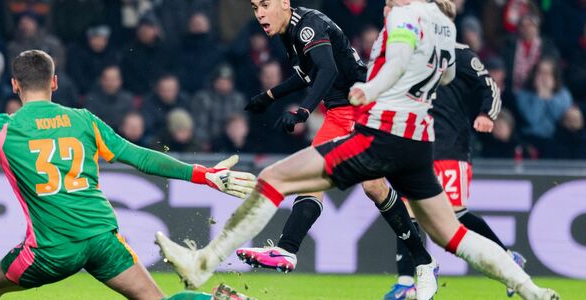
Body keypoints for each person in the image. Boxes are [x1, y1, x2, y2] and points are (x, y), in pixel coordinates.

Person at [156, 2, 560, 300]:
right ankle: (528, 289)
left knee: (275, 178)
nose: (386, 4)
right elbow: (448, 73)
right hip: (416, 141)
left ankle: (210, 262)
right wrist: (272, 94)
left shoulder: (401, 18)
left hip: (376, 130)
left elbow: (392, 57)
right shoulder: (441, 28)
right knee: (450, 231)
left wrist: (372, 88)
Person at [0, 50, 256, 300]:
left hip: (51, 250)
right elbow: (142, 157)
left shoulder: (4, 126)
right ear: (55, 82)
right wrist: (204, 175)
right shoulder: (84, 119)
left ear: (15, 84)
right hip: (101, 238)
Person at [236, 0, 434, 284]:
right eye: (255, 8)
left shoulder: (308, 26)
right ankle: (287, 250)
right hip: (340, 112)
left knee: (372, 186)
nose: (260, 14)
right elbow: (308, 74)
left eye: (265, 5)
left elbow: (327, 70)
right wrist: (268, 97)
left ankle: (423, 261)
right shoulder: (289, 32)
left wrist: (303, 110)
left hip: (362, 107)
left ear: (284, 3)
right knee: (321, 179)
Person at [383, 38, 525, 299]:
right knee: (406, 211)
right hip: (416, 145)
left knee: (454, 216)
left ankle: (507, 258)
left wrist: (486, 114)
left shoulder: (459, 53)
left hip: (450, 148)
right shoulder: (405, 52)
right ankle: (406, 281)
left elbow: (489, 87)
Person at [83, 65, 135, 130]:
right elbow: (89, 123)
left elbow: (131, 121)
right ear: (101, 80)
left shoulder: (127, 99)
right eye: (107, 79)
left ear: (120, 80)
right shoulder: (91, 99)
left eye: (114, 79)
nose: (111, 83)